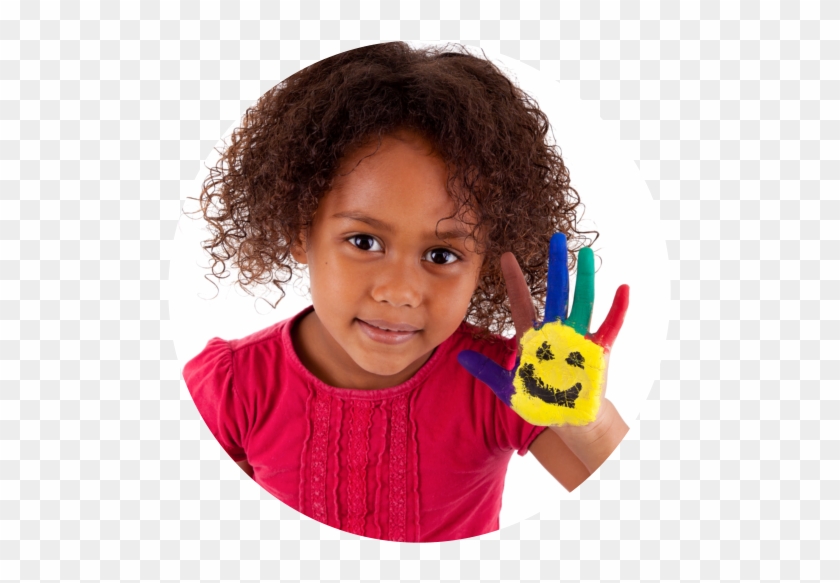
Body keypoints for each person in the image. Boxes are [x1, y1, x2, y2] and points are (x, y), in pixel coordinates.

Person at [182, 41, 630, 543]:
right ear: (299, 228)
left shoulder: (511, 386)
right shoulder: (234, 386)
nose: (399, 292)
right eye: (364, 241)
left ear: (485, 262)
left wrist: (588, 426)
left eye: (441, 255)